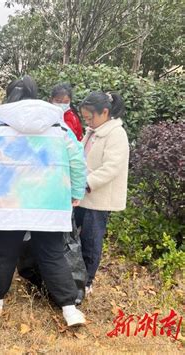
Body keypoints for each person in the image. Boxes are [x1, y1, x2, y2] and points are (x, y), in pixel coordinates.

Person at [0, 76, 87, 326]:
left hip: (9, 202)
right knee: (53, 253)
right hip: (50, 202)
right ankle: (70, 308)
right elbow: (78, 161)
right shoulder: (59, 125)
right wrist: (75, 192)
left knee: (5, 251)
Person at [75, 91, 129, 296]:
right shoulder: (91, 132)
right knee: (75, 237)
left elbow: (111, 168)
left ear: (105, 112)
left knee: (91, 241)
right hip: (82, 195)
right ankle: (74, 274)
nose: (87, 121)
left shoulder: (116, 134)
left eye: (90, 117)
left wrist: (87, 183)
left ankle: (87, 281)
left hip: (97, 199)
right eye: (85, 118)